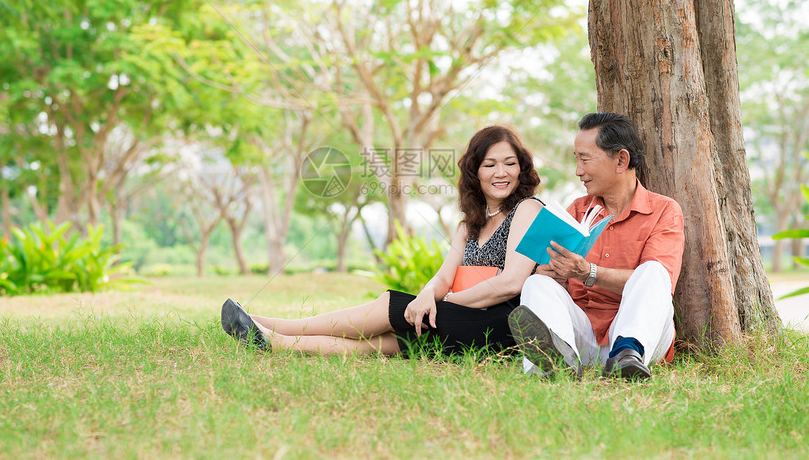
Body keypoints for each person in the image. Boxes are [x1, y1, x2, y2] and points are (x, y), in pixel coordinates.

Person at [222, 125, 543, 356]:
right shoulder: (467, 226)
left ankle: (276, 324)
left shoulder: (527, 210)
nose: (501, 172)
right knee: (380, 345)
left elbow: (511, 283)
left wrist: (441, 303)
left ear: (521, 168)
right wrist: (429, 294)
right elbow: (445, 277)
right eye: (490, 165)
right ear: (476, 172)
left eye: (510, 163)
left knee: (392, 306)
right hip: (463, 321)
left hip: (503, 324)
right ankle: (273, 341)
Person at [508, 112, 684, 380]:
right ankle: (554, 364)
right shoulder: (577, 210)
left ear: (621, 160)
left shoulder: (664, 211)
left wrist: (587, 272)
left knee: (653, 271)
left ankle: (626, 356)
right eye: (576, 159)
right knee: (536, 284)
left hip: (642, 338)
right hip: (584, 336)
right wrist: (552, 276)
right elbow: (554, 280)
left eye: (585, 159)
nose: (578, 171)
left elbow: (658, 286)